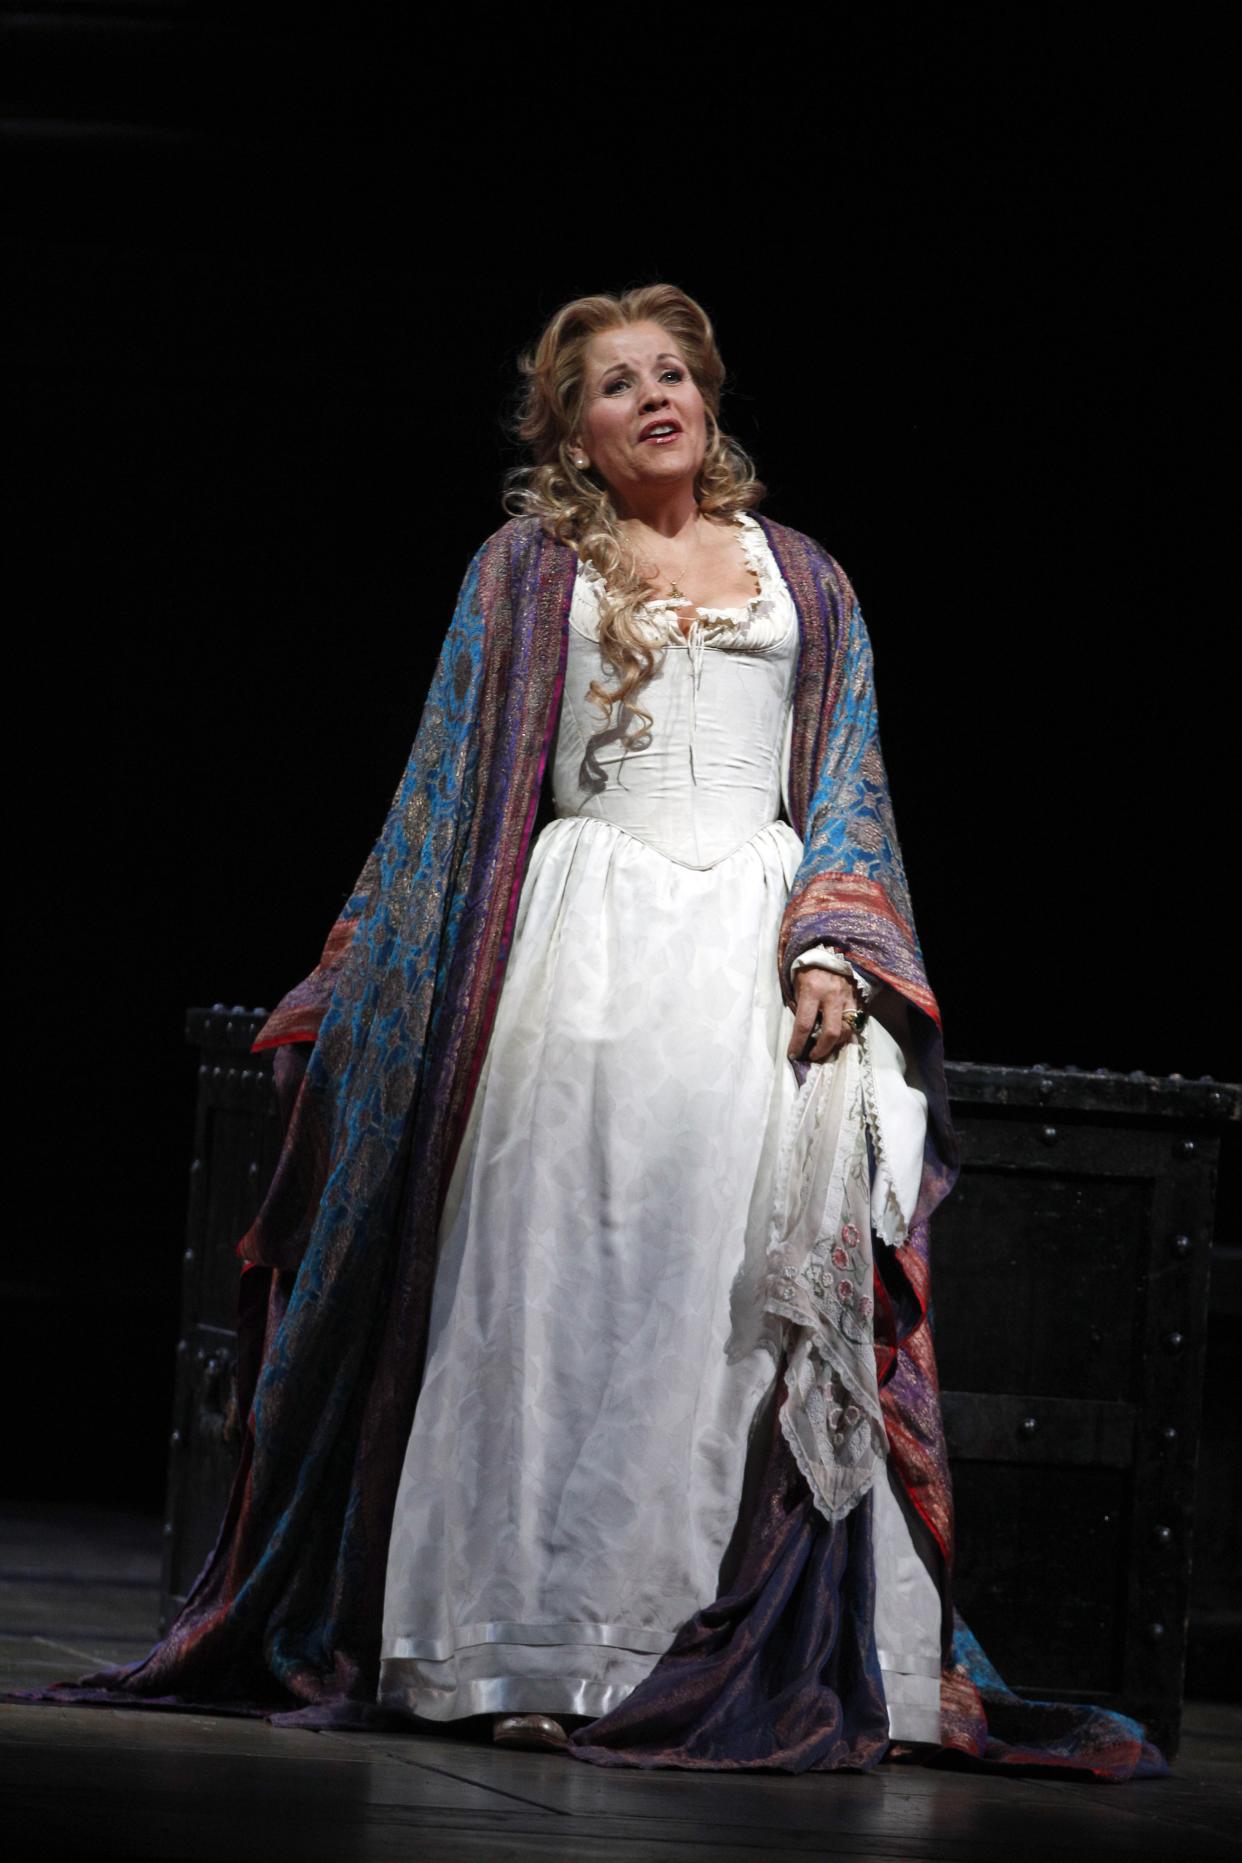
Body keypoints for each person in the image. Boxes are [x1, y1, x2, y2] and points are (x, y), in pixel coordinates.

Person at [22, 285, 1165, 1781]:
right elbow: (442, 795)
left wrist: (834, 941)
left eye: (673, 373)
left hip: (747, 959)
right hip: (578, 945)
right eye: (617, 384)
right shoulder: (522, 572)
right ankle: (519, 1645)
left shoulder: (800, 577)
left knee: (725, 1302)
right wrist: (355, 979)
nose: (655, 398)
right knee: (551, 1279)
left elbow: (846, 784)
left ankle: (718, 1634)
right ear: (568, 428)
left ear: (709, 398)